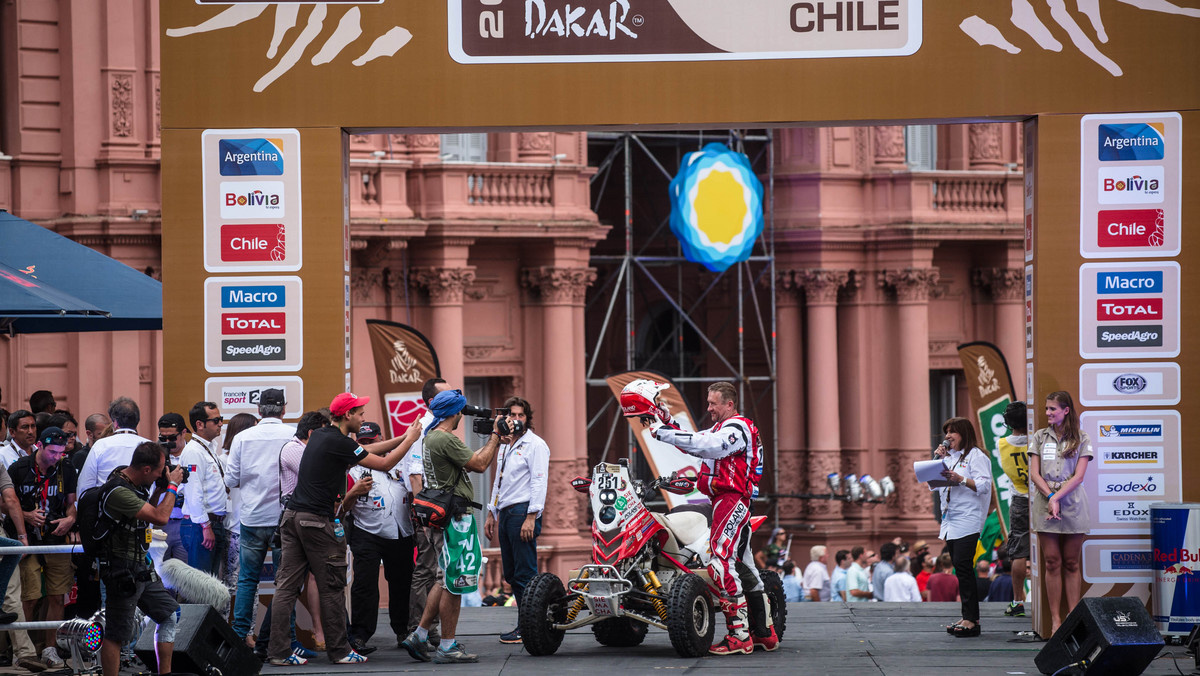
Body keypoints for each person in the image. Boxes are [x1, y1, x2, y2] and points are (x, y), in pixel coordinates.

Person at [266, 392, 420, 666]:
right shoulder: (338, 441)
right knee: (332, 587)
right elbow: (384, 462)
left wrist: (404, 437)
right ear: (347, 415)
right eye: (360, 413)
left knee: (286, 587)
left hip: (292, 517)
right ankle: (339, 651)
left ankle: (278, 652)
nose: (363, 418)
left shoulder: (323, 435)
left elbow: (369, 451)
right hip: (316, 521)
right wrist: (410, 439)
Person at [647, 381, 773, 655]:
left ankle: (739, 635)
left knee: (720, 562)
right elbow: (695, 443)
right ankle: (764, 633)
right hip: (726, 499)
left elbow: (707, 445)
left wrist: (660, 432)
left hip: (732, 498)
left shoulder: (737, 428)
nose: (708, 408)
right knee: (744, 565)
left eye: (713, 403)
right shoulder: (725, 428)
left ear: (729, 404)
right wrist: (665, 421)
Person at [401, 389, 502, 665]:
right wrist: (495, 437)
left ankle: (420, 634)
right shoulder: (445, 438)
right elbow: (480, 465)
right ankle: (447, 645)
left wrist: (489, 443)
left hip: (440, 514)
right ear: (456, 413)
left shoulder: (432, 436)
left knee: (443, 578)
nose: (462, 416)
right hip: (456, 518)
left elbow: (466, 464)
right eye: (460, 411)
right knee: (455, 583)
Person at [96, 441, 183, 676]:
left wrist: (159, 489)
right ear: (146, 469)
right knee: (117, 634)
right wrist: (173, 485)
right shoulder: (118, 491)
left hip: (142, 566)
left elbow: (148, 512)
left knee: (169, 614)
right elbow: (160, 517)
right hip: (122, 569)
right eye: (158, 471)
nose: (160, 475)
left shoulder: (135, 486)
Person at [224, 389, 295, 646]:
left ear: (259, 410)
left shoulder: (242, 437)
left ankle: (241, 636)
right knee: (286, 583)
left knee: (247, 580)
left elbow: (230, 480)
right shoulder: (293, 435)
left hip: (252, 518)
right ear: (284, 410)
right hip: (284, 519)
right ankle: (286, 640)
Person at [6, 427, 77, 667]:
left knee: (58, 596)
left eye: (61, 452)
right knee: (30, 596)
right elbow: (6, 504)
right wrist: (25, 515)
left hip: (56, 539)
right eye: (52, 452)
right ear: (39, 446)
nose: (57, 457)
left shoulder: (66, 468)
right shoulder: (19, 468)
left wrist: (70, 519)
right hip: (26, 541)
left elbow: (71, 504)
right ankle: (23, 651)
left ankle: (50, 648)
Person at [343, 421, 414, 656]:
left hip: (401, 531)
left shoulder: (401, 462)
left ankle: (403, 630)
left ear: (382, 438)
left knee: (402, 582)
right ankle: (360, 634)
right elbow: (342, 507)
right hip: (367, 532)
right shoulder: (352, 467)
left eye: (373, 441)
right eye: (363, 443)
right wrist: (354, 492)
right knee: (365, 584)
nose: (369, 445)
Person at [482, 396, 549, 644]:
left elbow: (539, 481)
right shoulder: (505, 445)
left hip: (523, 512)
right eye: (512, 415)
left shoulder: (536, 445)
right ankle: (526, 623)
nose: (517, 420)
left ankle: (532, 626)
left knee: (525, 574)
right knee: (511, 574)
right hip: (507, 513)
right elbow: (498, 480)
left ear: (527, 418)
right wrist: (492, 512)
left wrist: (532, 516)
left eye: (521, 415)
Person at [1029, 390, 1093, 634]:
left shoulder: (1082, 437)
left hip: (1073, 501)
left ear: (1066, 410)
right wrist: (1049, 497)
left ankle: (1073, 619)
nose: (1047, 413)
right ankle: (1056, 620)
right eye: (1046, 409)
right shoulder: (1039, 437)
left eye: (1052, 409)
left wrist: (1057, 497)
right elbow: (1034, 473)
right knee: (1052, 561)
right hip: (1045, 499)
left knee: (1071, 562)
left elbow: (1079, 476)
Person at [929, 417, 992, 638]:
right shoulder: (951, 457)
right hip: (951, 519)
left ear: (964, 433)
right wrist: (937, 461)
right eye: (946, 432)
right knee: (959, 567)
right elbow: (936, 484)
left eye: (952, 432)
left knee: (964, 567)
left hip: (968, 518)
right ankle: (967, 616)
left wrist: (961, 479)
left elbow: (984, 485)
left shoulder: (977, 457)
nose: (947, 437)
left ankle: (972, 619)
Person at [405, 378, 453, 644]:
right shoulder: (423, 427)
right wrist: (423, 517)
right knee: (427, 569)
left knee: (435, 568)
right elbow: (415, 476)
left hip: (437, 511)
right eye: (447, 396)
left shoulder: (439, 426)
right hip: (428, 512)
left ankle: (426, 627)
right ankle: (421, 628)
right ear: (433, 402)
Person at [178, 401, 228, 576]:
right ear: (199, 425)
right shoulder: (194, 451)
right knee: (201, 587)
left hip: (211, 524)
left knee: (210, 585)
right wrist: (205, 526)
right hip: (200, 525)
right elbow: (193, 491)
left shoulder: (207, 448)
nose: (221, 423)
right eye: (216, 420)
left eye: (220, 419)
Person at [78, 397, 152, 494]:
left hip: (106, 506)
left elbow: (85, 485)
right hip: (144, 506)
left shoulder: (101, 445)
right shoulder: (150, 447)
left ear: (115, 423)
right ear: (137, 421)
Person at [998, 401, 1030, 617]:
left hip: (1019, 499)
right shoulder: (1038, 440)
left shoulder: (1002, 444)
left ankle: (1018, 601)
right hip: (1043, 496)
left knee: (1018, 551)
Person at [157, 413, 190, 563]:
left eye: (172, 438)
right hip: (160, 523)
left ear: (184, 432)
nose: (168, 442)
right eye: (163, 439)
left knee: (186, 578)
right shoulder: (155, 455)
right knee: (159, 575)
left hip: (186, 522)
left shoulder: (194, 453)